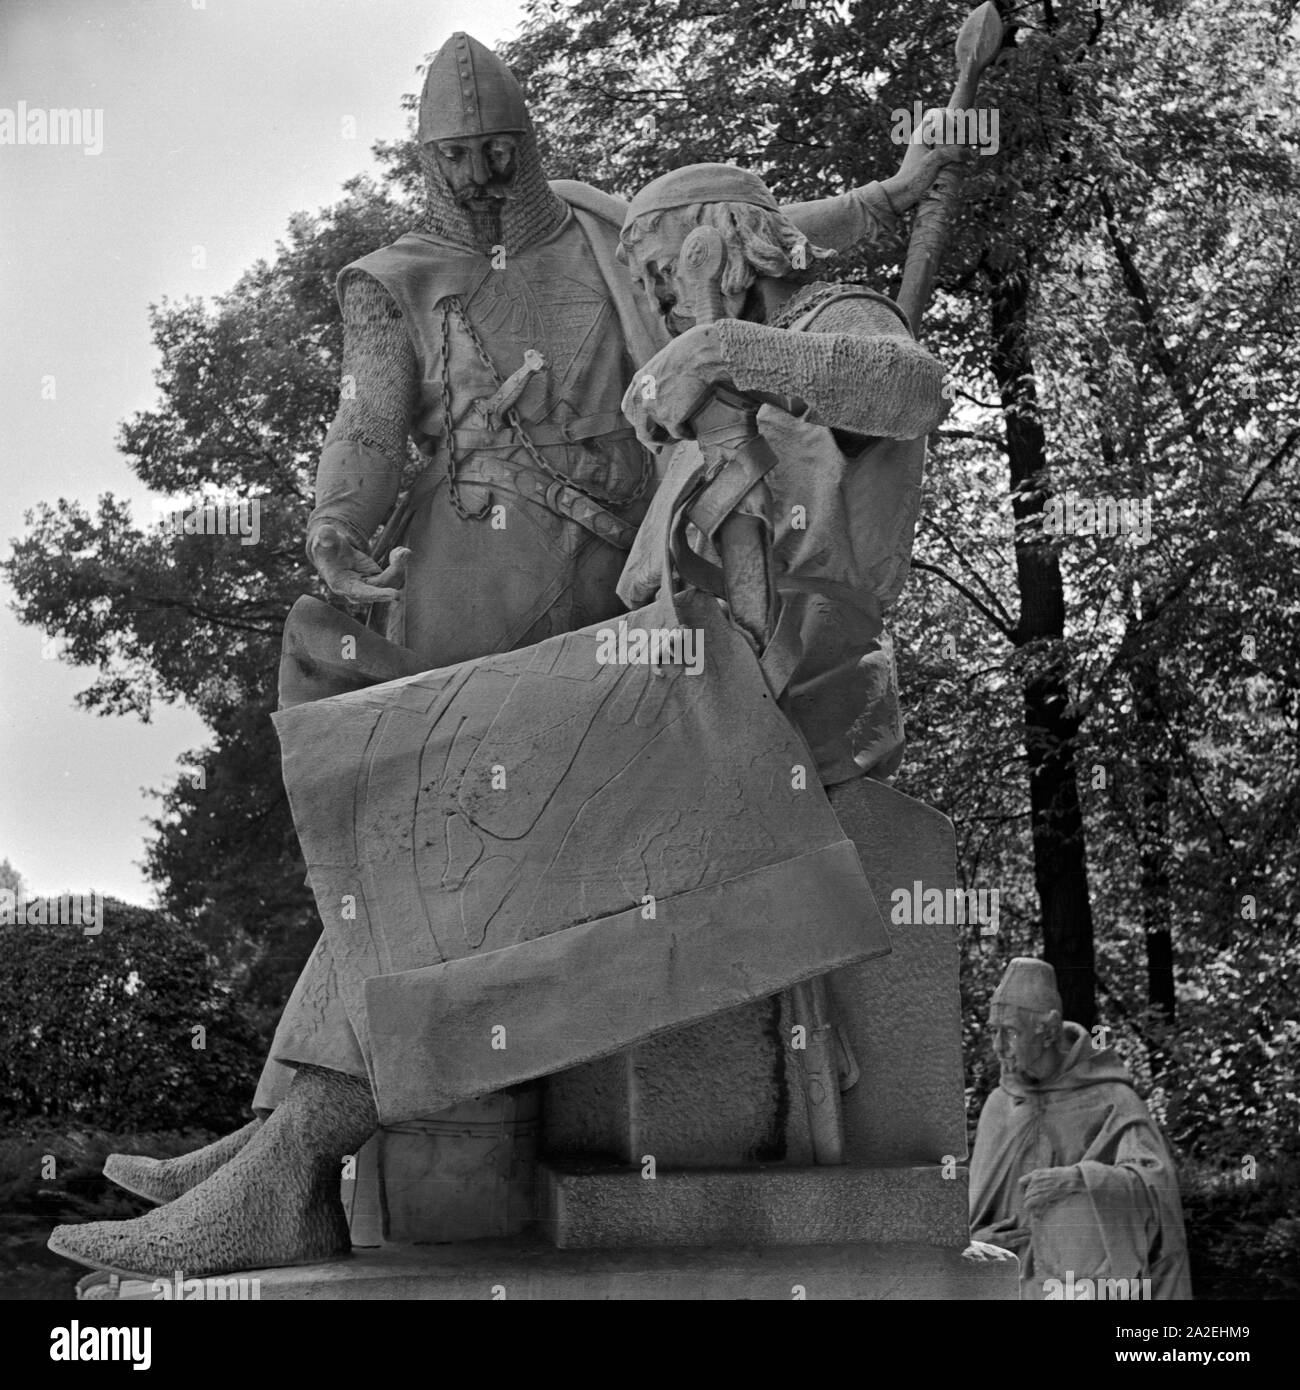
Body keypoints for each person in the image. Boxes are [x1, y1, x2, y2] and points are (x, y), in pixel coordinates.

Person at [50, 38, 960, 1280]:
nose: (649, 306)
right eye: (636, 279)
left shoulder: (815, 328)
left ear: (717, 246)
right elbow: (386, 420)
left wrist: (731, 348)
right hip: (710, 691)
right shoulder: (714, 378)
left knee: (484, 804)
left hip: (790, 705)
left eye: (656, 271)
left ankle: (290, 1161)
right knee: (423, 805)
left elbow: (909, 387)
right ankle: (280, 1146)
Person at [967, 957, 1192, 1299]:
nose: (998, 1046)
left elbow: (1157, 1190)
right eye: (993, 1032)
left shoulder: (1112, 1099)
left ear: (1049, 1030)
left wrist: (1080, 1181)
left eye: (1010, 1032)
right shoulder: (1000, 1106)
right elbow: (973, 1219)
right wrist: (977, 1244)